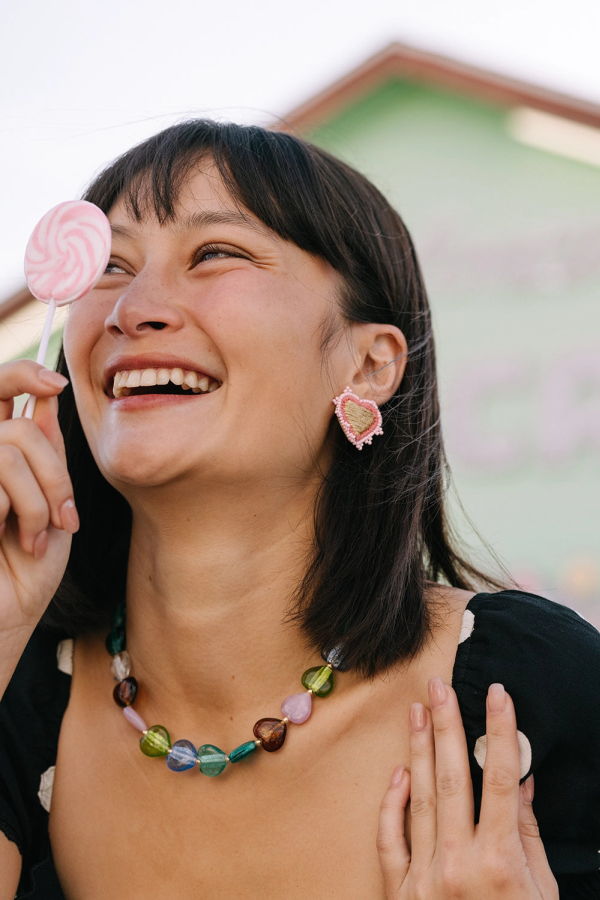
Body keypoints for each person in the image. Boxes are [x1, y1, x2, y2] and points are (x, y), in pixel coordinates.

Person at [0, 120, 598, 899]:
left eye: (215, 253)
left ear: (369, 363)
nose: (132, 309)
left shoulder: (526, 690)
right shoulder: (18, 680)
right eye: (110, 266)